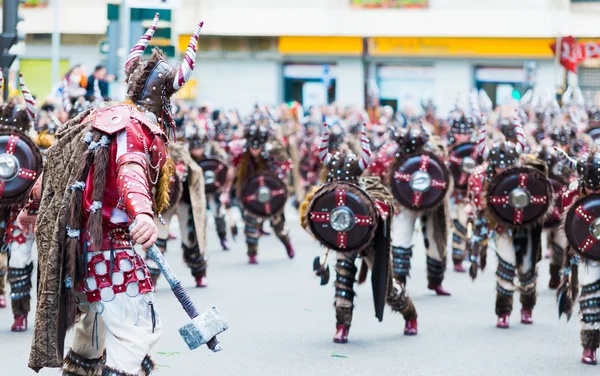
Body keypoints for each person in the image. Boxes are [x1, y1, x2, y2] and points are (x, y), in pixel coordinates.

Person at [20, 15, 203, 375]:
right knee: (139, 332)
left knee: (92, 331)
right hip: (110, 246)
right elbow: (131, 171)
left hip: (78, 247)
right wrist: (143, 215)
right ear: (167, 99)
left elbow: (58, 166)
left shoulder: (99, 117)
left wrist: (32, 206)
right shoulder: (137, 128)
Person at [300, 123, 418, 343]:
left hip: (369, 240)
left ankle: (410, 314)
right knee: (343, 280)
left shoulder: (369, 197)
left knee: (387, 285)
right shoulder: (328, 196)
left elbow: (382, 207)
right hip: (345, 239)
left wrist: (364, 137)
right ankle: (342, 325)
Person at [466, 113, 547, 328]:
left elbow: (542, 199)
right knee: (506, 263)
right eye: (500, 167)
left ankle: (527, 306)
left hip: (527, 225)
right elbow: (476, 207)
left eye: (508, 166)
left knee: (528, 269)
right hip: (500, 225)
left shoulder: (529, 175)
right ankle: (503, 311)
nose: (504, 170)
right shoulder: (480, 177)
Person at [221, 112, 295, 264]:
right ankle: (252, 253)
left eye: (258, 148)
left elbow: (286, 166)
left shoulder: (272, 152)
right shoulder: (241, 153)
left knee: (278, 224)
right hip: (249, 191)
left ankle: (287, 244)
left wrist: (280, 183)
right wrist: (226, 192)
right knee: (250, 225)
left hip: (271, 192)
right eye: (253, 148)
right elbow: (232, 171)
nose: (255, 151)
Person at [0, 74, 42, 331]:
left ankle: (22, 313)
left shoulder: (37, 155)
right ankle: (14, 307)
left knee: (19, 260)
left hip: (25, 212)